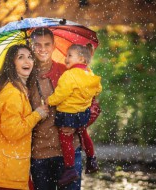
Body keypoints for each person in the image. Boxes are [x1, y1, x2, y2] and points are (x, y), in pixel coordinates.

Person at [0, 44, 49, 190]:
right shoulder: (12, 93)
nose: (27, 61)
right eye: (20, 57)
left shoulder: (16, 89)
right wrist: (37, 114)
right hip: (7, 170)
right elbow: (13, 132)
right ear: (12, 63)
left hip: (9, 167)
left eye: (30, 57)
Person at [28, 28, 84, 190]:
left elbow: (92, 106)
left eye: (47, 44)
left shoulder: (69, 72)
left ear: (53, 46)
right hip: (39, 154)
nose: (43, 49)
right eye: (37, 45)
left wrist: (76, 124)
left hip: (69, 153)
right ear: (31, 46)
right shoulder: (25, 76)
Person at [47, 43, 102, 186]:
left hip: (68, 113)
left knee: (66, 139)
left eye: (70, 55)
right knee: (84, 134)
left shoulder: (69, 75)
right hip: (83, 113)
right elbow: (98, 89)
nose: (66, 58)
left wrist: (49, 101)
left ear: (82, 59)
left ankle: (70, 168)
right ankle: (91, 158)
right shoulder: (89, 73)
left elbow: (61, 94)